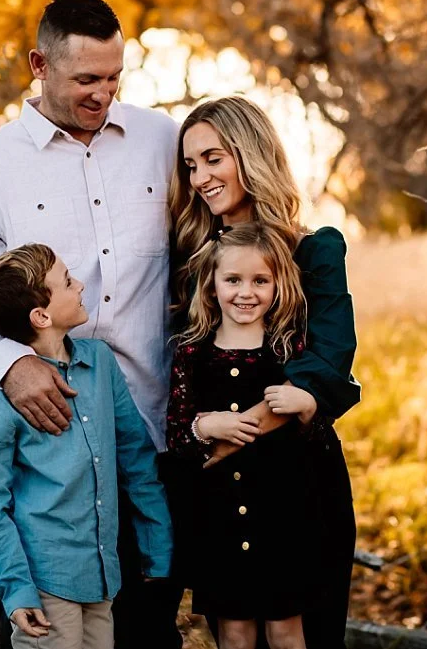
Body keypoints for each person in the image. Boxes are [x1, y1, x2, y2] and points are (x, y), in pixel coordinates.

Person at [0, 0, 182, 646]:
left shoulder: (163, 140)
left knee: (151, 634)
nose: (103, 95)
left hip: (154, 446)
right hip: (55, 470)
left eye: (113, 77)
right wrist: (14, 365)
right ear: (38, 65)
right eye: (85, 80)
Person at [171, 97, 361, 649]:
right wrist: (196, 438)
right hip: (214, 495)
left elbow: (325, 364)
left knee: (306, 634)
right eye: (190, 166)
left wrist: (226, 438)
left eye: (213, 158)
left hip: (300, 488)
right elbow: (186, 364)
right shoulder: (195, 259)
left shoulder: (313, 251)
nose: (201, 178)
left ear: (249, 154)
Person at [0, 244, 173, 649]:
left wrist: (157, 545)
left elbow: (136, 460)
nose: (79, 285)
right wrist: (16, 590)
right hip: (45, 585)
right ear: (41, 316)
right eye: (66, 281)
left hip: (102, 578)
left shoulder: (100, 363)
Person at [163, 222, 319, 649]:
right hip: (219, 520)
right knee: (233, 631)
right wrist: (206, 425)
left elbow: (316, 439)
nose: (245, 292)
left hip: (283, 516)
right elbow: (176, 433)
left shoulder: (290, 350)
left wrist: (307, 408)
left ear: (277, 285)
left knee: (286, 629)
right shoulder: (192, 351)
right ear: (212, 286)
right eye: (233, 280)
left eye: (260, 281)